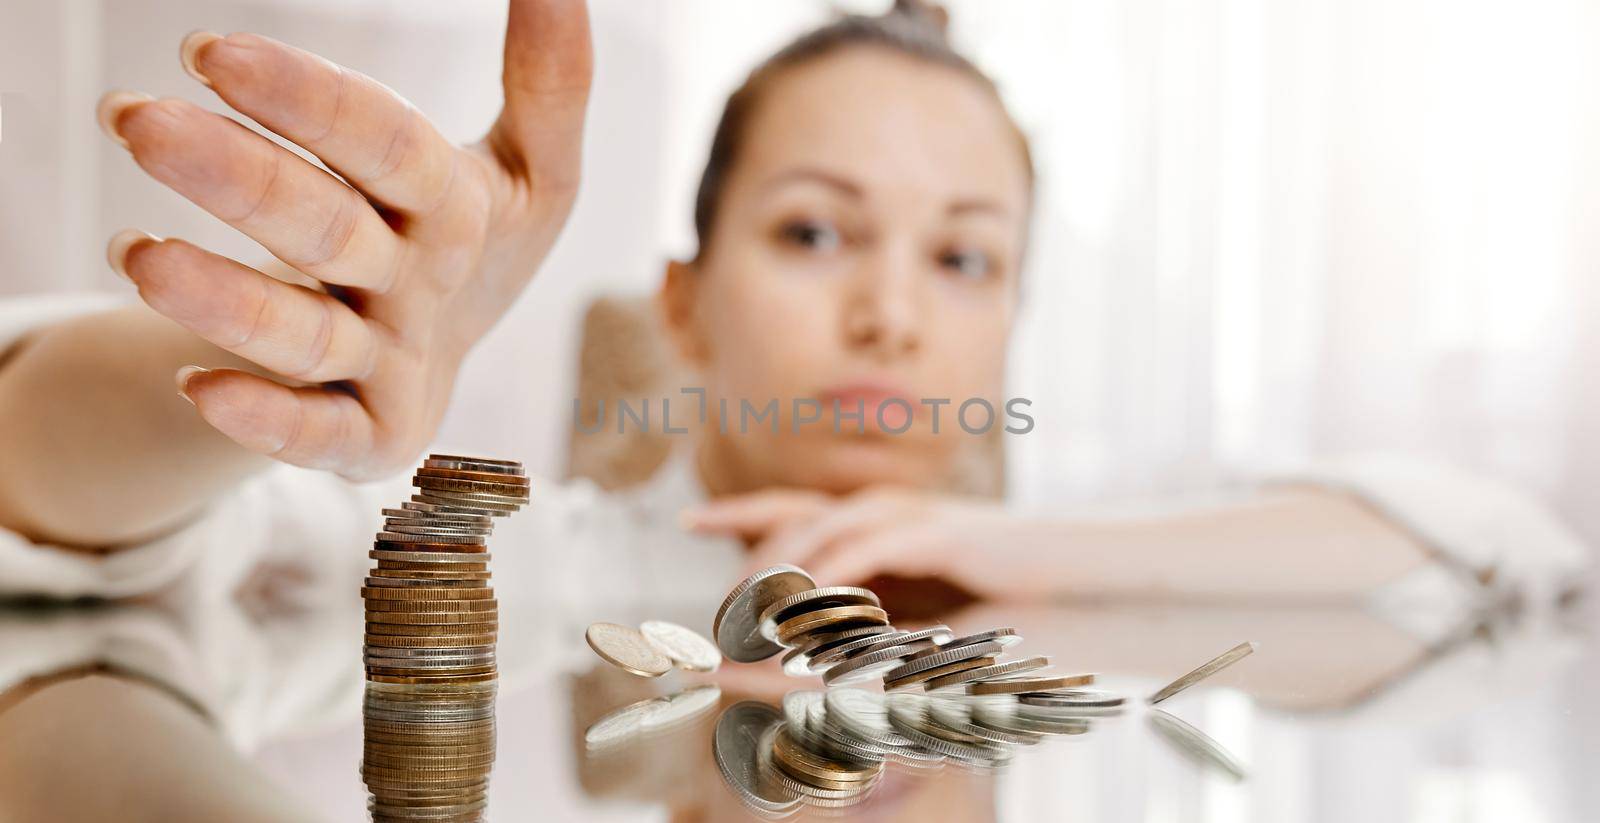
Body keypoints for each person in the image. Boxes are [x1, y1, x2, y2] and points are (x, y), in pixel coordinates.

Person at [0, 0, 1585, 640]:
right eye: (816, 232)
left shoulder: (1069, 560)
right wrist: (280, 366)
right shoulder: (548, 565)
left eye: (965, 261)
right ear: (680, 308)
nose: (894, 315)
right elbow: (61, 514)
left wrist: (1058, 557)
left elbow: (1490, 532)